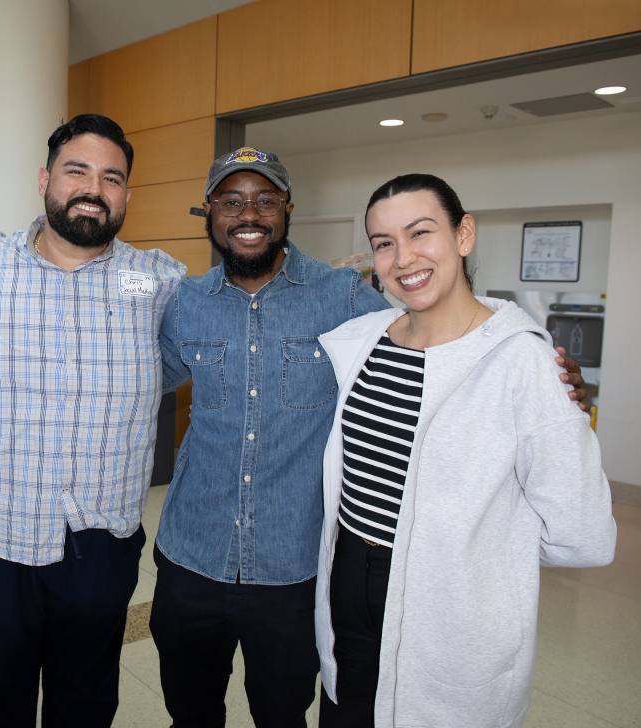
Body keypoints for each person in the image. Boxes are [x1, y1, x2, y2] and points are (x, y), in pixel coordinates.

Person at [150, 150, 591, 727]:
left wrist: (544, 371)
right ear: (209, 213)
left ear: (288, 209)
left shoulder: (342, 296)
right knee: (189, 711)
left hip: (295, 565)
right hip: (191, 554)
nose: (248, 213)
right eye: (231, 201)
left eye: (265, 199)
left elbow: (430, 336)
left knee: (282, 713)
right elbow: (136, 383)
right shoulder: (185, 304)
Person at [313, 174, 616, 728]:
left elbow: (586, 537)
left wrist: (476, 546)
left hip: (449, 604)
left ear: (464, 235)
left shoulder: (524, 364)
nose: (403, 258)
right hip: (348, 584)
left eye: (420, 233)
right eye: (383, 243)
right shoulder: (362, 343)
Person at [0, 114, 185, 727]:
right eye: (77, 171)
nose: (94, 187)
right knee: (1, 691)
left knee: (87, 697)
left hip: (104, 533)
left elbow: (215, 334)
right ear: (46, 179)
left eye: (112, 177)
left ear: (126, 194)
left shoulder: (159, 280)